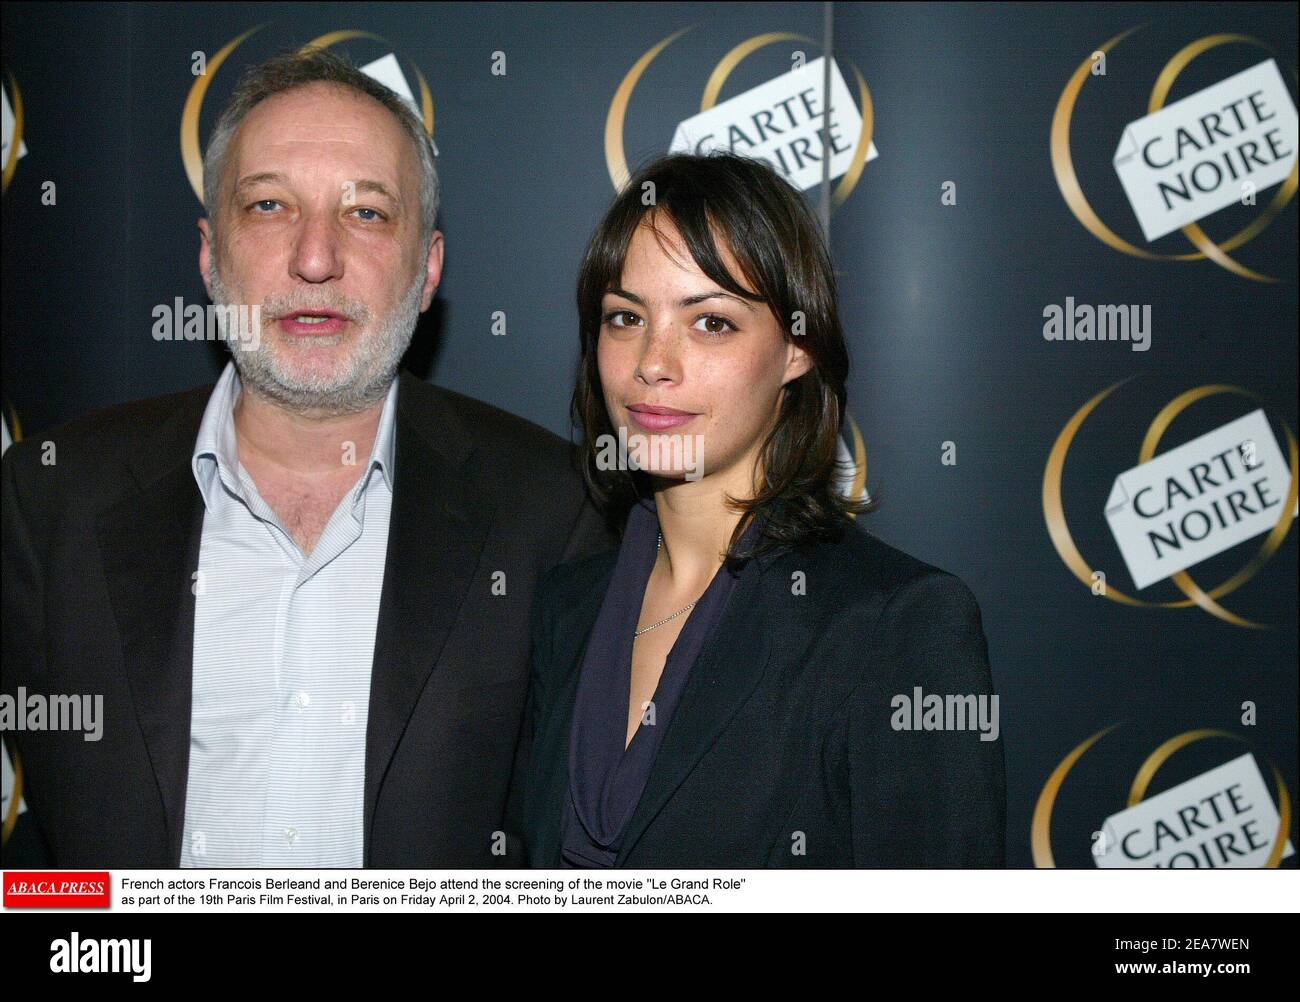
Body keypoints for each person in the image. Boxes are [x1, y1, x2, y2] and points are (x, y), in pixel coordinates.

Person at [0, 49, 611, 869]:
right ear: (210, 254)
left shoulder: (551, 512)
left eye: (364, 213)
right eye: (269, 206)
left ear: (427, 270)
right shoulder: (51, 499)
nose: (315, 258)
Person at [512, 152, 1006, 867]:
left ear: (798, 349)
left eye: (711, 323)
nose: (654, 361)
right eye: (625, 317)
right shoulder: (567, 608)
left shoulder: (895, 624)